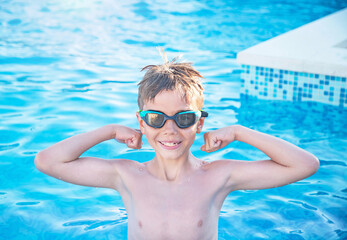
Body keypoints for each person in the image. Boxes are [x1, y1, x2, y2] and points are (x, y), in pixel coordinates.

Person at [34, 50, 319, 240]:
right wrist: (108, 131)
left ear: (199, 124)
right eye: (156, 118)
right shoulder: (127, 176)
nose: (170, 130)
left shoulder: (219, 176)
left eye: (184, 118)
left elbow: (305, 165)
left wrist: (239, 131)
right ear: (141, 123)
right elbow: (47, 161)